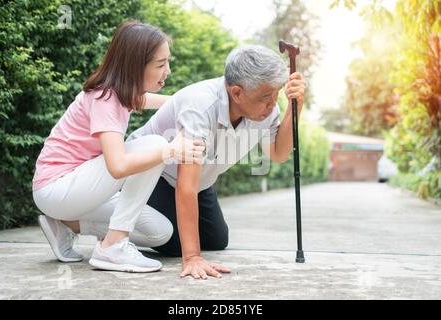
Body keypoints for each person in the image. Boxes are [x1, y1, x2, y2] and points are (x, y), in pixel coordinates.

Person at [32, 20, 205, 273]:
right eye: (160, 64)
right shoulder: (105, 97)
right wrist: (171, 151)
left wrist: (188, 102)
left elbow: (150, 100)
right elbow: (118, 166)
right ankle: (113, 246)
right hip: (57, 187)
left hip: (80, 191)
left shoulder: (120, 92)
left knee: (161, 233)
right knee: (155, 145)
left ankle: (67, 224)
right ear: (135, 66)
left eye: (168, 61)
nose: (167, 71)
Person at [128, 44, 307, 279]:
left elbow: (278, 153)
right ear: (236, 93)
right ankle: (102, 218)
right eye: (266, 96)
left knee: (216, 240)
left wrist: (295, 108)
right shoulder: (200, 105)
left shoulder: (265, 109)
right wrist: (192, 258)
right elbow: (186, 185)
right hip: (150, 174)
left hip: (200, 182)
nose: (273, 103)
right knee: (174, 244)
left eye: (277, 93)